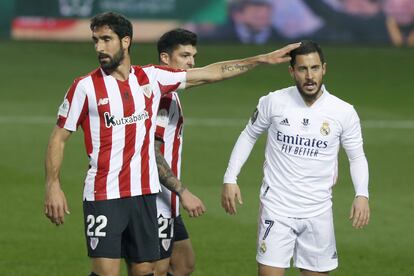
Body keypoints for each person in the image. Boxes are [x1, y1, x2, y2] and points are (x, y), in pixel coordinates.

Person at [43, 11, 300, 276]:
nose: (99, 47)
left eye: (106, 39)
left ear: (126, 41)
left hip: (144, 195)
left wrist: (261, 58)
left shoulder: (151, 78)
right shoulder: (84, 87)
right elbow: (58, 138)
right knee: (107, 272)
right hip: (104, 195)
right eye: (95, 40)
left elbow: (212, 73)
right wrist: (53, 185)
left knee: (145, 270)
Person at [221, 41, 370, 276]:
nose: (309, 76)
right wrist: (230, 177)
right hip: (277, 208)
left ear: (324, 69)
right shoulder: (273, 102)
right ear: (292, 71)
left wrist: (362, 194)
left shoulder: (343, 112)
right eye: (302, 69)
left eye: (314, 68)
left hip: (318, 211)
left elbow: (357, 156)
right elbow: (249, 135)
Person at [152, 29, 198, 276]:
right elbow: (153, 152)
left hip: (167, 202)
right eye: (184, 55)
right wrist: (182, 191)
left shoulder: (171, 94)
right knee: (156, 269)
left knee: (183, 263)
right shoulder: (164, 97)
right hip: (156, 199)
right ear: (165, 58)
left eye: (193, 56)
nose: (191, 62)